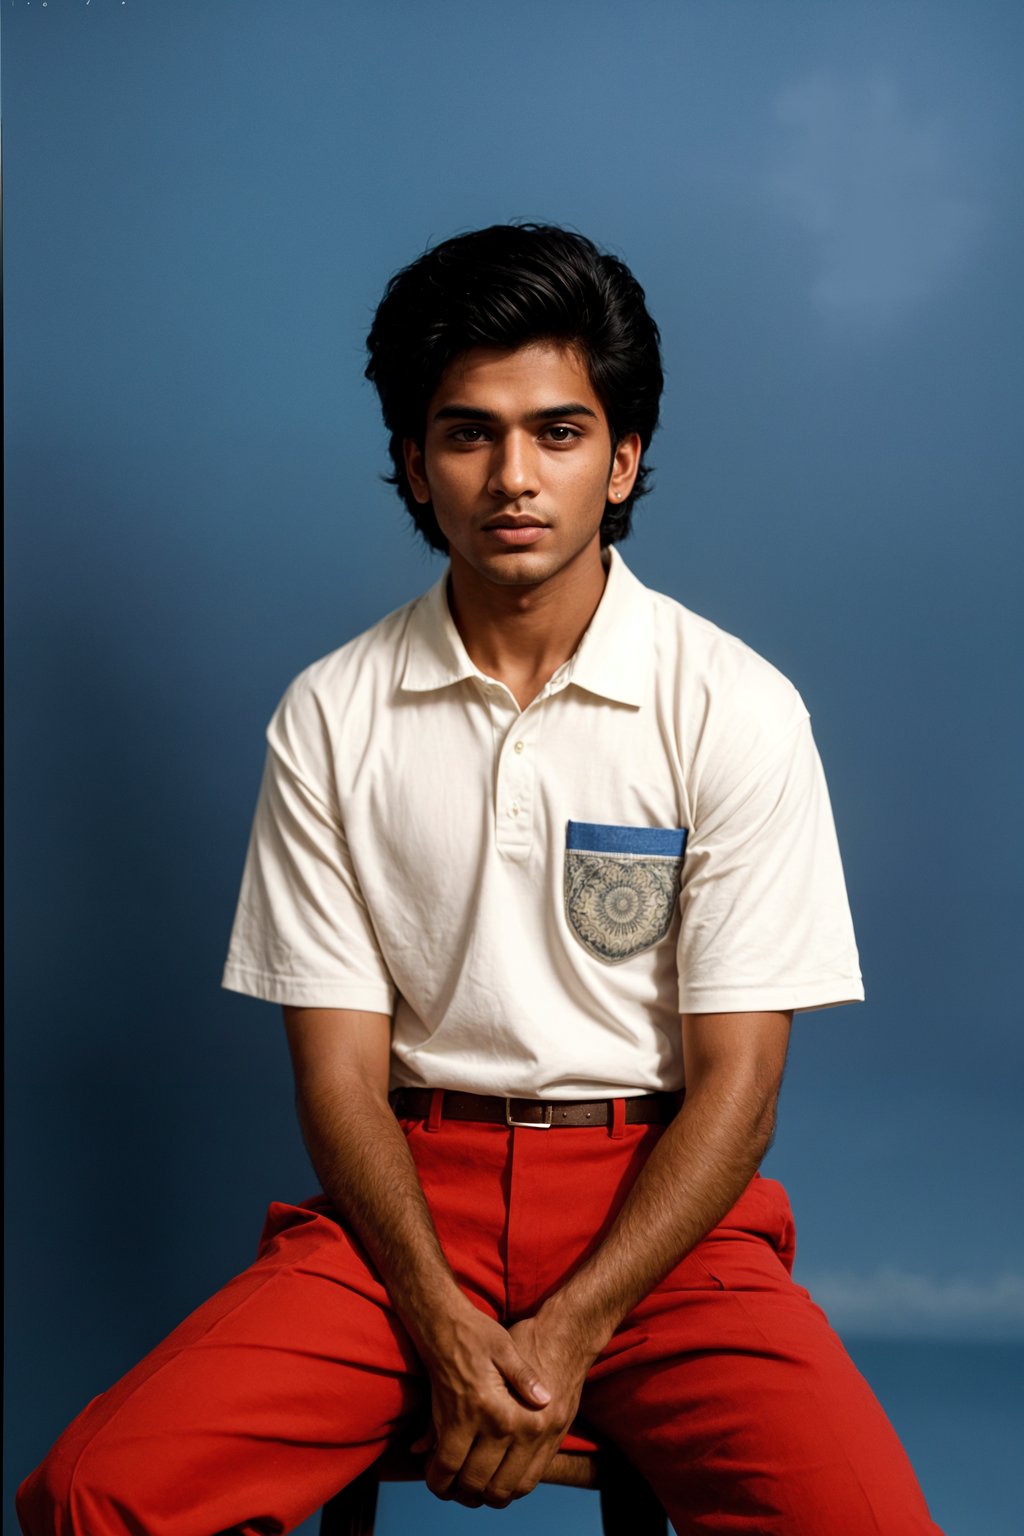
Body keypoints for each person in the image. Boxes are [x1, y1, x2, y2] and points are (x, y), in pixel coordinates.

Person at [17, 223, 942, 1535]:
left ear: (623, 461)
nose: (515, 476)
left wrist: (573, 1330)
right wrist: (445, 1328)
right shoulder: (333, 713)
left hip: (662, 1222)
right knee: (93, 1494)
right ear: (412, 463)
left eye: (560, 433)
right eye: (469, 434)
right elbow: (338, 1075)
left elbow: (741, 1090)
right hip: (404, 1217)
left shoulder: (734, 706)